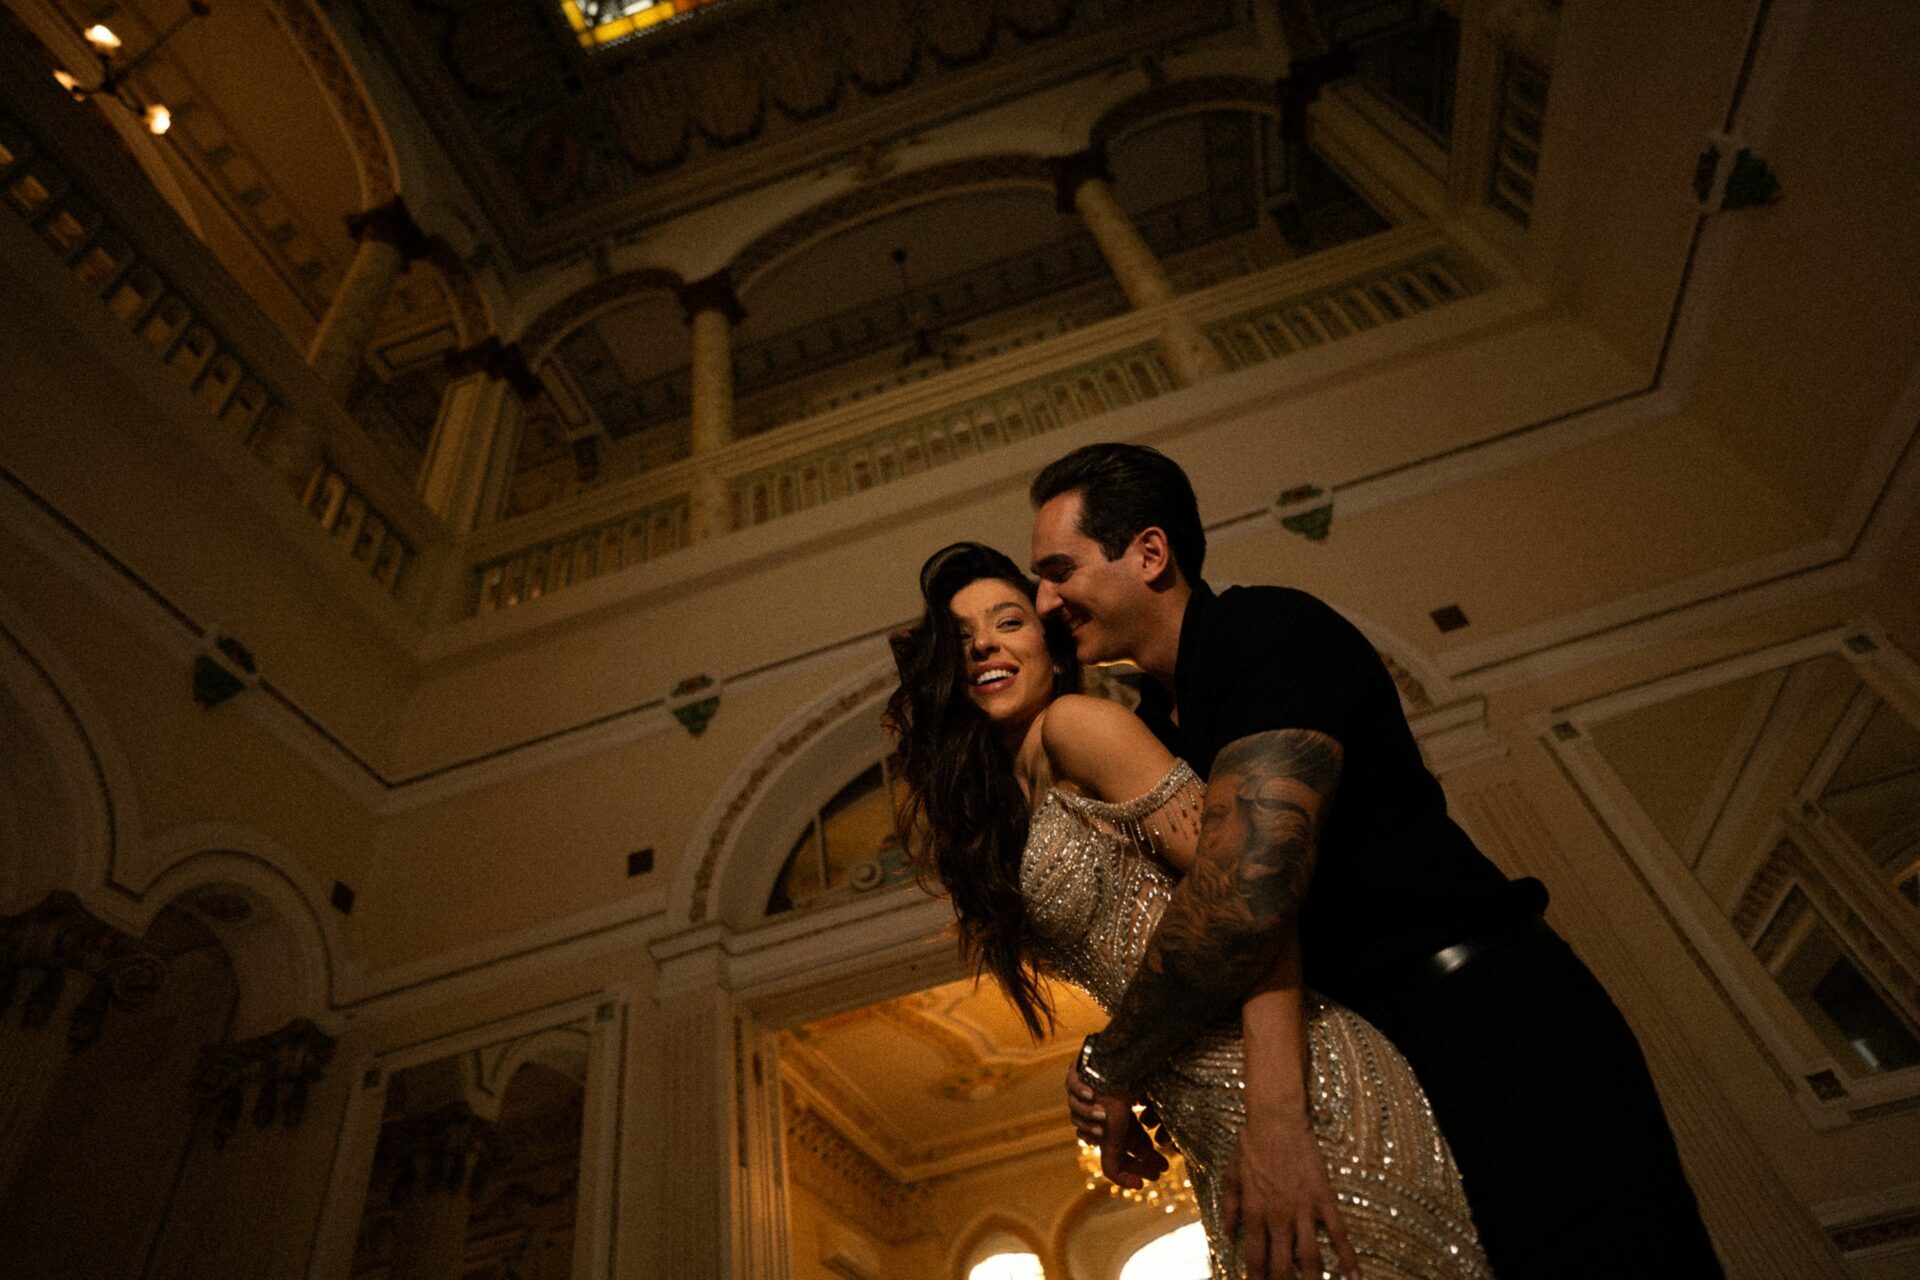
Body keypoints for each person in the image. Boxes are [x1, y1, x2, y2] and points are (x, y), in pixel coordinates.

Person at [1030, 443, 1724, 1278]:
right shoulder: (1151, 726)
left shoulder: (1268, 632)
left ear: (1149, 553)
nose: (1043, 602)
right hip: (1371, 1060)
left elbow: (1246, 898)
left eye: (1059, 571)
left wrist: (1114, 1062)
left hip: (1490, 1024)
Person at [887, 540, 1489, 1280]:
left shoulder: (1080, 726)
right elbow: (1146, 948)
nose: (984, 643)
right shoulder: (1007, 800)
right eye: (961, 638)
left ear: (1050, 645)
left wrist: (1279, 1120)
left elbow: (1253, 898)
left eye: (1009, 621)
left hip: (1294, 1097)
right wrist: (1117, 1065)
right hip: (1214, 1129)